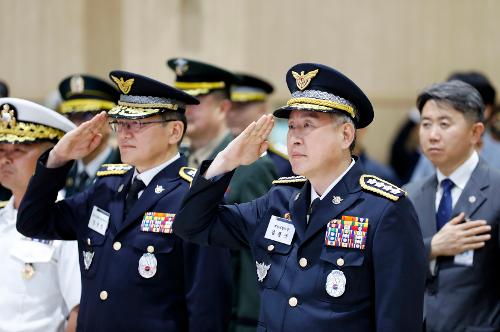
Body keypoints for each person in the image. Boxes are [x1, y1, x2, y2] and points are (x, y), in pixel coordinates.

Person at [173, 63, 426, 331]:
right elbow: (191, 225)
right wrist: (226, 161)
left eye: (308, 125)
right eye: (292, 126)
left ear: (345, 135)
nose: (294, 137)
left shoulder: (384, 210)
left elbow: (398, 321)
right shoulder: (279, 199)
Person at [16, 71, 232, 331]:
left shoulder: (193, 198)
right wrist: (58, 159)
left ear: (174, 131)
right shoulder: (106, 188)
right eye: (121, 123)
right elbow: (32, 223)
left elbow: (207, 306)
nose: (125, 134)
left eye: (138, 124)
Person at [168, 58, 277, 332]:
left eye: (197, 100)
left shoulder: (251, 164)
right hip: (176, 309)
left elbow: (259, 252)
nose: (187, 109)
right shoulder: (176, 162)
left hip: (225, 315)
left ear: (223, 107)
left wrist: (247, 323)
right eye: (182, 100)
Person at [405, 80, 500, 331]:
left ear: (476, 132)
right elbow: (391, 266)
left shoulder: (497, 189)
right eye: (426, 124)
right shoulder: (409, 194)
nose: (432, 134)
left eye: (444, 124)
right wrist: (431, 248)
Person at [0, 97, 81, 331]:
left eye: (19, 149)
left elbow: (78, 311)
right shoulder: (3, 218)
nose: (6, 158)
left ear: (51, 157)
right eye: (1, 149)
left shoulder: (67, 220)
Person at [58, 74, 121, 196]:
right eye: (71, 116)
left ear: (110, 120)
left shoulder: (124, 169)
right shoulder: (61, 171)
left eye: (87, 116)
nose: (78, 126)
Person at [229, 73, 294, 178]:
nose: (231, 113)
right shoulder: (214, 157)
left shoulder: (286, 164)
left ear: (262, 109)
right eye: (229, 107)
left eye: (240, 106)